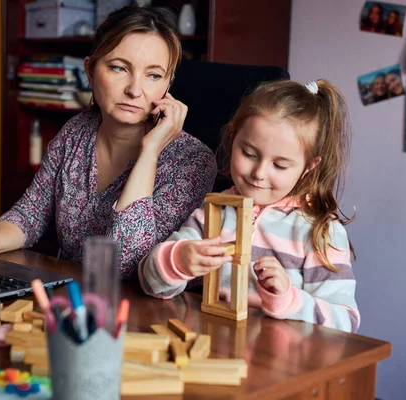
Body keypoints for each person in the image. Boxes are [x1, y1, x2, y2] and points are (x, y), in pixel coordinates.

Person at [0, 6, 217, 279]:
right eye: (118, 68)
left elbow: (126, 262)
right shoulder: (76, 132)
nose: (135, 90)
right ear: (90, 70)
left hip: (140, 311)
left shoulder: (193, 161)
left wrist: (150, 152)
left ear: (168, 85)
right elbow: (31, 214)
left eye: (154, 75)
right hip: (70, 299)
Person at [138, 79, 360, 333]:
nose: (259, 173)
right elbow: (149, 281)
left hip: (281, 366)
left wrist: (289, 300)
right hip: (214, 350)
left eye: (280, 165)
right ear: (233, 139)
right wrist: (178, 261)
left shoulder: (320, 231)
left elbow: (346, 322)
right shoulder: (215, 213)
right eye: (250, 154)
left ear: (309, 167)